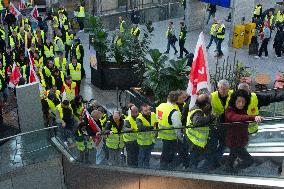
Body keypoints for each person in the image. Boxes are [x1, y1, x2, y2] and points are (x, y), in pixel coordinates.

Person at [224, 89, 264, 172]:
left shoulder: (242, 110)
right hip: (234, 142)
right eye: (238, 101)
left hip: (240, 141)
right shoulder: (229, 110)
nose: (241, 104)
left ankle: (229, 170)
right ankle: (234, 169)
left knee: (232, 157)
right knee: (249, 160)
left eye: (243, 102)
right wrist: (253, 117)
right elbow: (237, 118)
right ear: (234, 100)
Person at [185, 92, 215, 169]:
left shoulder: (196, 109)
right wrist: (210, 117)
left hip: (194, 140)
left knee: (197, 159)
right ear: (206, 104)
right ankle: (197, 174)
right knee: (205, 159)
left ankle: (195, 174)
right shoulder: (198, 111)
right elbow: (197, 122)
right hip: (196, 141)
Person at [156, 91, 182, 169]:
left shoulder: (161, 106)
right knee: (170, 155)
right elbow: (177, 126)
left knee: (164, 153)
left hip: (162, 134)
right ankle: (168, 169)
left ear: (168, 97)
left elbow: (157, 119)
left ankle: (162, 168)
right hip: (171, 137)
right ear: (177, 100)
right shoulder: (174, 111)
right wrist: (180, 137)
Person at [136, 104, 157, 168]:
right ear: (141, 112)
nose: (148, 111)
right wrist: (151, 127)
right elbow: (140, 128)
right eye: (145, 110)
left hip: (151, 140)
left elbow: (157, 122)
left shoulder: (153, 114)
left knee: (148, 156)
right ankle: (140, 169)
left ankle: (147, 168)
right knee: (141, 157)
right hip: (143, 142)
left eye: (148, 110)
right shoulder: (139, 118)